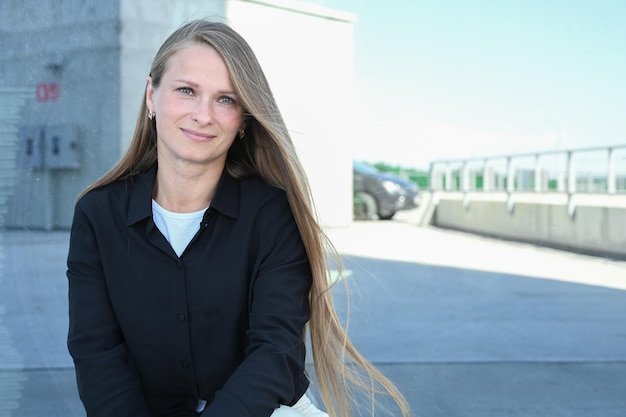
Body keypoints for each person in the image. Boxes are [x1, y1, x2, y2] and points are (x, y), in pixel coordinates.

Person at [66, 19, 412, 417]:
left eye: (226, 99)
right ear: (151, 96)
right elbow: (98, 355)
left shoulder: (274, 214)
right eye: (186, 91)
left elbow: (275, 353)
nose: (203, 114)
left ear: (244, 119)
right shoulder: (97, 214)